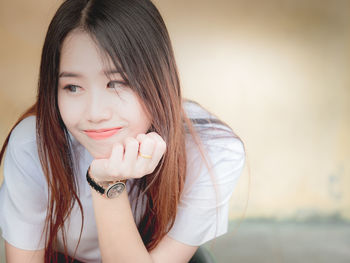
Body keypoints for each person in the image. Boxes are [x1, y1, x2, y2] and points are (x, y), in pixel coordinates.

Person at [0, 0, 246, 262]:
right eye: (72, 87)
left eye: (116, 83)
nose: (95, 114)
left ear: (158, 77)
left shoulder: (210, 150)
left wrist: (106, 184)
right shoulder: (34, 145)